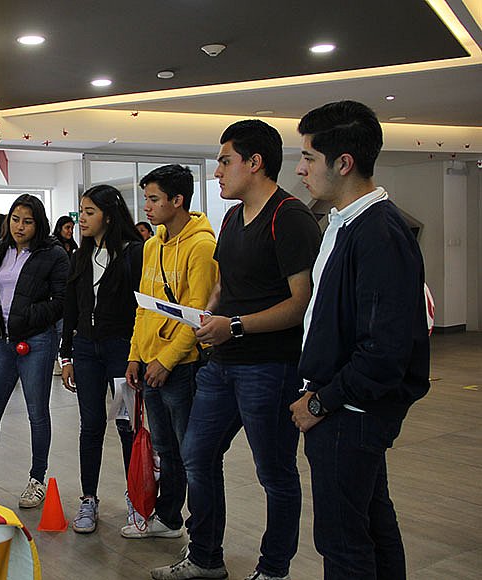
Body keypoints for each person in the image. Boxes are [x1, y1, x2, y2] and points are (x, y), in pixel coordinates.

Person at [152, 121, 321, 580]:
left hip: (270, 367)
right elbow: (224, 286)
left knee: (275, 473)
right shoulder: (231, 218)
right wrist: (208, 315)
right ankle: (205, 557)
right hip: (222, 364)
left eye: (225, 162)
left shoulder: (290, 218)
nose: (217, 172)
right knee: (197, 454)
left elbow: (300, 304)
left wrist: (236, 326)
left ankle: (274, 569)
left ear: (255, 162)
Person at [290, 101, 430, 580]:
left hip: (351, 411)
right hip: (345, 406)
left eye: (308, 157)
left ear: (343, 163)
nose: (301, 168)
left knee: (343, 542)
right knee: (369, 522)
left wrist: (320, 402)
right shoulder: (347, 223)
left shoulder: (378, 233)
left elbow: (384, 351)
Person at [124, 164, 218, 539]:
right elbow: (143, 307)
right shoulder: (152, 245)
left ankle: (201, 535)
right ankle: (168, 518)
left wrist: (167, 360)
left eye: (153, 199)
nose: (146, 207)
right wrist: (135, 355)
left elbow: (198, 315)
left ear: (177, 200)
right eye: (146, 198)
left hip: (181, 366)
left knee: (190, 451)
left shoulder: (202, 247)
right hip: (149, 363)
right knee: (164, 448)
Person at [0, 194, 69, 509]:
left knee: (37, 413)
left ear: (39, 224)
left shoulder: (54, 254)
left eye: (28, 221)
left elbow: (61, 300)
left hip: (37, 342)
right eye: (16, 220)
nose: (20, 227)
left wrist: (28, 317)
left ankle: (37, 479)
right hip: (2, 344)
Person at [60, 184, 143, 533]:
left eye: (89, 212)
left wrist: (138, 354)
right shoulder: (80, 256)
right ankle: (88, 499)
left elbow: (142, 309)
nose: (81, 218)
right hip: (86, 351)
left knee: (127, 425)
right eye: (81, 211)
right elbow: (71, 307)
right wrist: (66, 355)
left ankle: (137, 499)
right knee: (91, 426)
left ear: (108, 216)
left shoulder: (133, 253)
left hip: (122, 351)